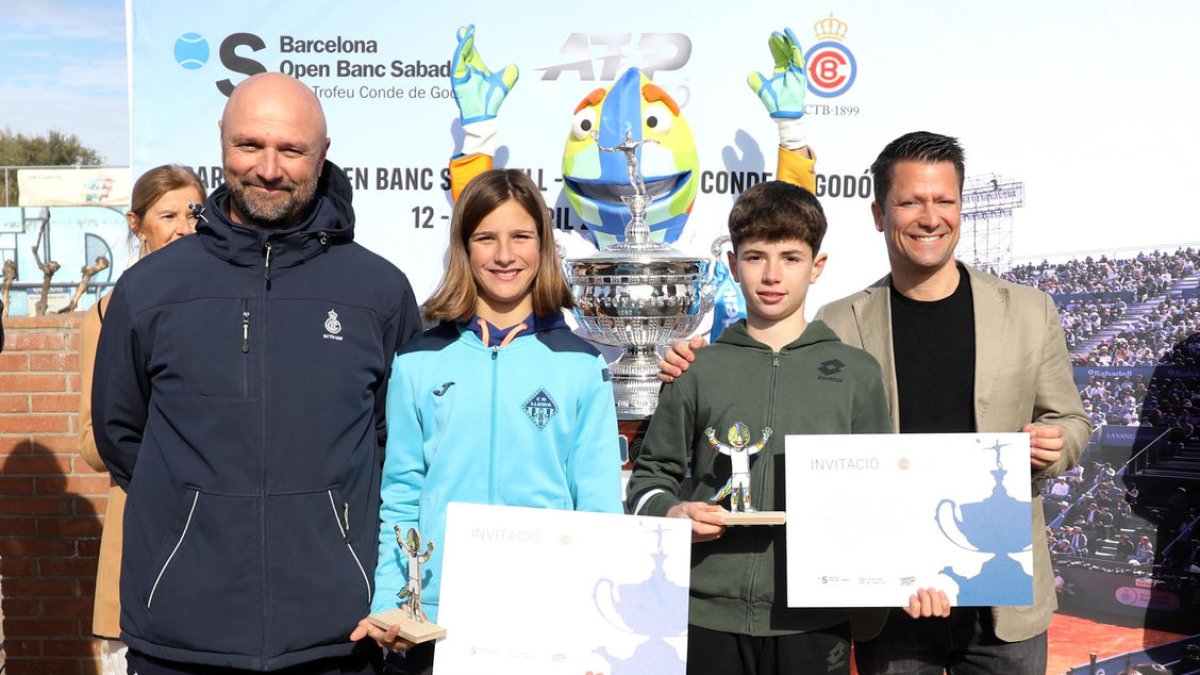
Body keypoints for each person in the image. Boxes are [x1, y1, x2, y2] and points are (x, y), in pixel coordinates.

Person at [660, 132, 1090, 674]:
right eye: (910, 202)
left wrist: (1058, 443)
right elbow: (761, 365)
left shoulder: (1030, 311)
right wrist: (691, 357)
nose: (929, 217)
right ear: (879, 213)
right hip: (888, 600)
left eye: (944, 201)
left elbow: (1069, 419)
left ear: (961, 207)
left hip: (1001, 599)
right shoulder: (836, 323)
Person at [92, 72, 420, 674]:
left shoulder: (378, 291)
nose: (268, 169)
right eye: (250, 146)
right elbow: (122, 435)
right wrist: (194, 513)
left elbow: (394, 444)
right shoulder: (149, 290)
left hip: (339, 639)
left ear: (322, 154)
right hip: (180, 640)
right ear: (221, 141)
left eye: (291, 150)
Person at [626, 180, 911, 675]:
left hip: (815, 619)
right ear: (733, 266)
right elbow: (650, 479)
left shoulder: (857, 372)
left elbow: (880, 496)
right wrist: (671, 513)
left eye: (791, 257)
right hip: (703, 613)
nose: (772, 274)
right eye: (755, 257)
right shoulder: (696, 369)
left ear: (817, 266)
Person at [353, 169, 623, 673]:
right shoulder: (419, 360)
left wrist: (598, 622)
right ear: (464, 247)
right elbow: (404, 491)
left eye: (521, 236)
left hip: (545, 610)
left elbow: (599, 503)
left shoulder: (580, 364)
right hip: (437, 613)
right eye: (486, 238)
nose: (504, 255)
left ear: (543, 246)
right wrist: (392, 598)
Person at [78, 164, 204, 675]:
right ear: (137, 225)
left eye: (194, 213)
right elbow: (92, 439)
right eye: (167, 214)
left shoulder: (232, 304)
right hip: (141, 542)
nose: (183, 227)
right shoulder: (108, 314)